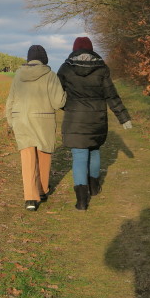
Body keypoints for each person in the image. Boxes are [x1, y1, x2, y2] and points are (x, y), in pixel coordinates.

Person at [57, 37, 132, 210]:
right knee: (94, 150)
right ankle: (95, 188)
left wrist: (66, 108)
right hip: (97, 119)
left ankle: (82, 201)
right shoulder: (101, 68)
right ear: (91, 50)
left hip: (75, 119)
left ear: (74, 49)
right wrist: (124, 117)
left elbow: (57, 94)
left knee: (79, 156)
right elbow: (111, 95)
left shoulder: (65, 68)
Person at [6, 45, 66, 211]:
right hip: (43, 120)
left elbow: (10, 100)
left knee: (27, 158)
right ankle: (42, 190)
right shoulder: (51, 76)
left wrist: (11, 121)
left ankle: (30, 199)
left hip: (21, 120)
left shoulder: (18, 75)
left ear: (28, 59)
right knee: (44, 154)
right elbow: (58, 102)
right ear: (44, 59)